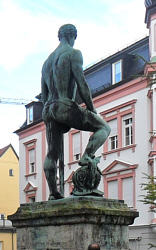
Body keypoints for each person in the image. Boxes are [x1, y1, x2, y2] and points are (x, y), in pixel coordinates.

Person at [41, 24, 110, 199]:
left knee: (52, 153)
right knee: (104, 128)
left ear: (60, 36)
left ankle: (53, 193)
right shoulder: (73, 53)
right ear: (72, 36)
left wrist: (53, 117)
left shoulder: (46, 62)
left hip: (48, 109)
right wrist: (92, 109)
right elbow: (82, 84)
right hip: (65, 104)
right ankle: (86, 156)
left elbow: (44, 94)